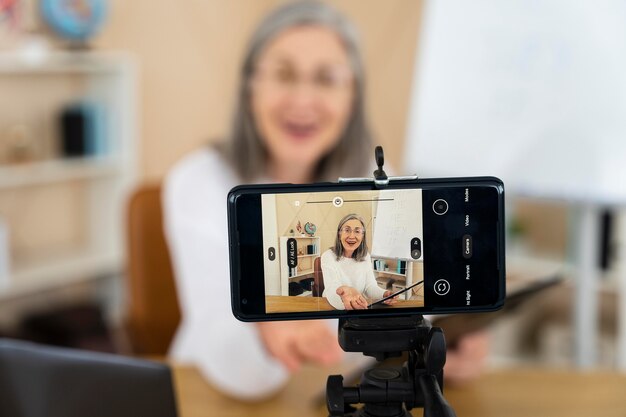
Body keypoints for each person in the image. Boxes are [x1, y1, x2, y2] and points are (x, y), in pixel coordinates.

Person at [163, 1, 488, 400]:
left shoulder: (375, 177)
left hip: (332, 393)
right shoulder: (199, 181)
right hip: (210, 391)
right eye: (283, 75)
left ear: (352, 96)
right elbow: (230, 358)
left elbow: (405, 300)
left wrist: (440, 347)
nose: (303, 100)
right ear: (250, 86)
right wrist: (269, 332)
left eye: (327, 78)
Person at [321, 213, 398, 310]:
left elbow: (369, 287)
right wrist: (344, 294)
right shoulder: (328, 256)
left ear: (362, 236)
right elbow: (331, 289)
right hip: (332, 307)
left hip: (357, 307)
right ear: (339, 234)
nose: (352, 236)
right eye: (347, 230)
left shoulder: (365, 256)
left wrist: (383, 294)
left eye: (357, 231)